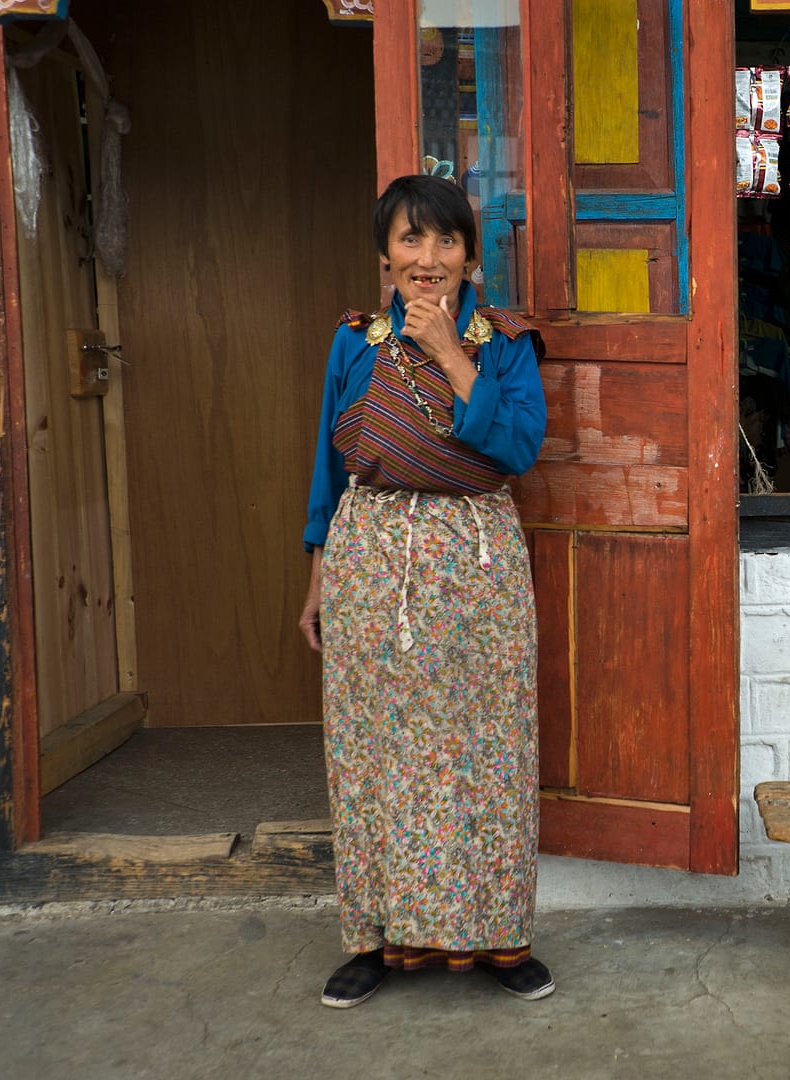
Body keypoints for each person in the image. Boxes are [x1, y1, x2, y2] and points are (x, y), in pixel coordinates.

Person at [298, 174, 549, 1009]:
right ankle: (377, 938)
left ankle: (499, 939)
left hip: (476, 565)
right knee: (375, 754)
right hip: (372, 562)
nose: (429, 258)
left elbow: (517, 447)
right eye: (411, 241)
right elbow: (329, 474)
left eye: (445, 242)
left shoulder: (504, 342)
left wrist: (447, 351)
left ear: (471, 256)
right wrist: (317, 584)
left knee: (488, 752)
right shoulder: (355, 344)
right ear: (385, 259)